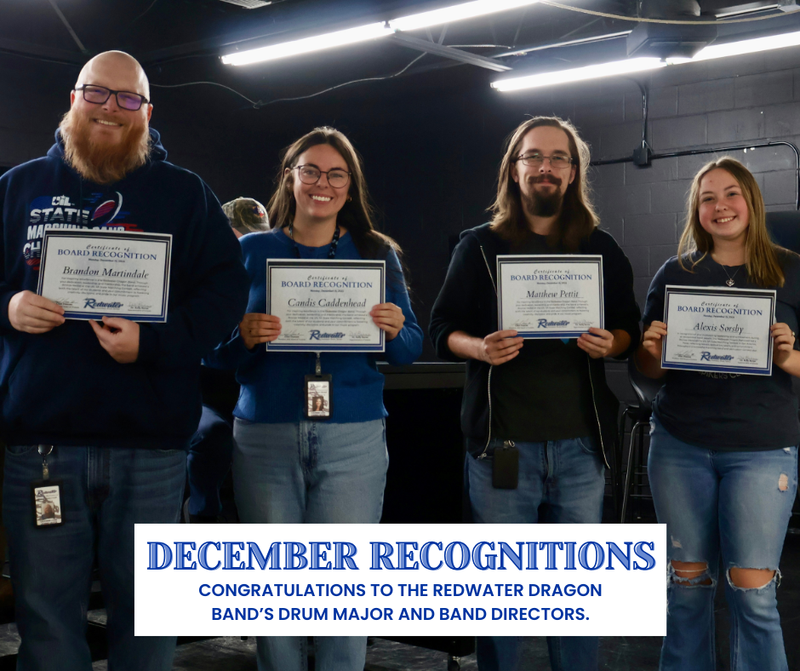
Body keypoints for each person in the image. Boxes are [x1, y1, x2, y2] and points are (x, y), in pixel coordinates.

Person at [0, 51, 249, 670]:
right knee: (46, 621)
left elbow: (224, 295)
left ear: (146, 111)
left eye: (128, 98)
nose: (112, 108)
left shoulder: (184, 194)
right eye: (99, 93)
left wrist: (153, 341)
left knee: (147, 627)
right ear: (74, 96)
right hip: (42, 447)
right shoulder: (19, 187)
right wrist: (7, 306)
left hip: (153, 450)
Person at [429, 116, 640, 671]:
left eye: (558, 158)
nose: (545, 167)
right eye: (533, 157)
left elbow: (630, 330)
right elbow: (440, 328)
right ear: (514, 169)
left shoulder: (601, 247)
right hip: (502, 448)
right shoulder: (478, 248)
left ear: (573, 173)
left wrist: (608, 342)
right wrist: (479, 348)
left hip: (580, 450)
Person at [208, 126, 423, 671]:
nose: (321, 184)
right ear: (291, 178)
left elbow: (409, 351)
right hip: (264, 436)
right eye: (310, 171)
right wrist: (243, 337)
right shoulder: (250, 251)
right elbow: (209, 351)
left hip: (353, 437)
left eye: (336, 174)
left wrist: (396, 328)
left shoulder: (377, 254)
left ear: (349, 188)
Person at [636, 157, 799, 671]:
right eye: (708, 197)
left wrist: (791, 358)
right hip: (680, 445)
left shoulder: (791, 269)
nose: (720, 205)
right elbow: (646, 372)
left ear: (750, 200)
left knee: (753, 594)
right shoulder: (674, 273)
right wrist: (651, 352)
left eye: (731, 194)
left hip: (761, 450)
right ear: (696, 210)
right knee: (686, 587)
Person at [185, 197, 269, 524]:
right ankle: (201, 517)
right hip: (203, 399)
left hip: (251, 399)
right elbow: (202, 352)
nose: (247, 246)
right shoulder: (197, 280)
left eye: (256, 238)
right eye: (240, 237)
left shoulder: (271, 281)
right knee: (214, 435)